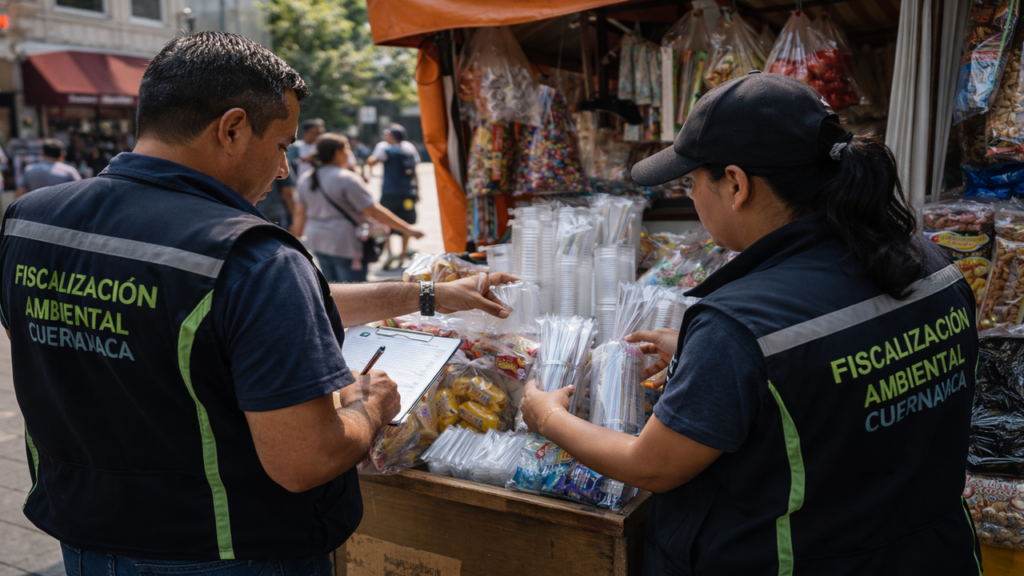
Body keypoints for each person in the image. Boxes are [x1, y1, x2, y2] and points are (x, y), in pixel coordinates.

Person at [0, 32, 514, 576]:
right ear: (233, 128)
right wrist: (372, 407)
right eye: (283, 145)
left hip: (83, 537)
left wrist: (427, 295)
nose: (285, 169)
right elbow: (304, 459)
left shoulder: (30, 220)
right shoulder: (252, 255)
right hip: (224, 550)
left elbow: (206, 318)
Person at [520, 72, 982, 574]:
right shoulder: (933, 264)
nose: (693, 198)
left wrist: (546, 415)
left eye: (692, 182)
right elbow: (843, 372)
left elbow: (651, 466)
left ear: (736, 185)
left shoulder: (739, 324)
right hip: (935, 555)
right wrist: (715, 362)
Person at [291, 134, 423, 282]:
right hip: (345, 242)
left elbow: (299, 213)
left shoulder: (306, 178)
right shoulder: (347, 178)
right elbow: (372, 211)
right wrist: (407, 229)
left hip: (317, 240)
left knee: (333, 291)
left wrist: (295, 239)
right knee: (355, 293)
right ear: (338, 153)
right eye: (347, 149)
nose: (349, 153)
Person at [366, 124, 420, 269]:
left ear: (392, 136)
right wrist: (417, 191)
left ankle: (389, 252)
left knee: (386, 221)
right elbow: (415, 171)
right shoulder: (409, 149)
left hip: (389, 193)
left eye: (386, 134)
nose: (384, 137)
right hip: (408, 193)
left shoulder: (385, 150)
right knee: (406, 223)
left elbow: (371, 161)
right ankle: (403, 254)